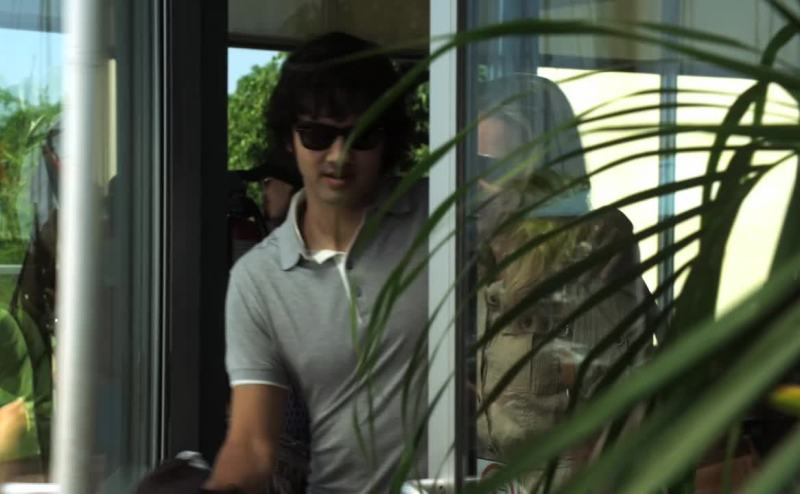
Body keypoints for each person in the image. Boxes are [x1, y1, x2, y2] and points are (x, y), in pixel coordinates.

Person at [205, 32, 428, 494]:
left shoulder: (443, 218)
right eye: (318, 135)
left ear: (388, 138)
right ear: (289, 139)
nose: (339, 156)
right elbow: (252, 445)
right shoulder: (258, 279)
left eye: (362, 135)